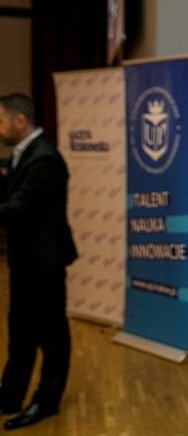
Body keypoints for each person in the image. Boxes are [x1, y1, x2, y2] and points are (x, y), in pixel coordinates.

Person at [0, 93, 78, 430]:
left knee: (51, 334)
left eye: (1, 120)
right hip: (24, 261)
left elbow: (17, 208)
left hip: (43, 263)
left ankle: (46, 402)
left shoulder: (44, 158)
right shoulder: (23, 154)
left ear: (20, 120)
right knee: (19, 332)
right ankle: (10, 395)